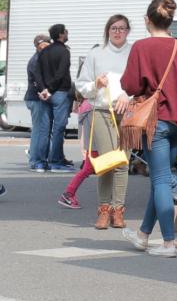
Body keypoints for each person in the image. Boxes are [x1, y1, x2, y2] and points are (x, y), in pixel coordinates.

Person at [120, 0, 177, 259]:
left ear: (147, 20)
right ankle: (143, 234)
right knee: (160, 178)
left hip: (158, 120)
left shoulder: (142, 47)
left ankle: (168, 242)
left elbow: (130, 85)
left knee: (161, 180)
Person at [59, 15, 133, 226]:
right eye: (114, 28)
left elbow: (143, 82)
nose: (118, 32)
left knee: (123, 163)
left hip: (128, 112)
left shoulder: (135, 52)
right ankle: (104, 209)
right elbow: (81, 85)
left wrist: (128, 95)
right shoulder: (96, 54)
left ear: (128, 31)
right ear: (107, 30)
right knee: (108, 162)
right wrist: (96, 84)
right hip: (101, 111)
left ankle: (118, 210)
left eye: (122, 28)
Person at [39, 24, 75, 170]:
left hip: (46, 94)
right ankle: (55, 162)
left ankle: (42, 161)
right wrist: (51, 89)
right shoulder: (64, 51)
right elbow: (61, 73)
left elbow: (38, 73)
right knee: (59, 129)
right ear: (61, 34)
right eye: (66, 31)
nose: (67, 33)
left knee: (45, 129)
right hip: (60, 92)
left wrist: (44, 89)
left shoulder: (44, 51)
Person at [25, 34, 52, 172]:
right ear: (37, 47)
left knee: (44, 130)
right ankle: (35, 161)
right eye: (41, 46)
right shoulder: (36, 60)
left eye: (46, 45)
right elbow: (39, 82)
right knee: (40, 130)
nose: (44, 48)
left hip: (40, 99)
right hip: (37, 99)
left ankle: (40, 158)